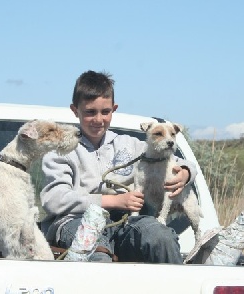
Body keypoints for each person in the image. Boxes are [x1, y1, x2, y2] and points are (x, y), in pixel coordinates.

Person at [40, 70, 197, 263]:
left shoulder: (129, 145)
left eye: (105, 112)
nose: (99, 119)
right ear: (75, 110)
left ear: (114, 109)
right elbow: (55, 199)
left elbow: (180, 163)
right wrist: (113, 201)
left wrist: (185, 173)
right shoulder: (60, 151)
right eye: (90, 112)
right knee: (96, 252)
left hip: (126, 222)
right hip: (75, 221)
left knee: (161, 237)